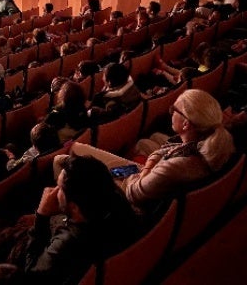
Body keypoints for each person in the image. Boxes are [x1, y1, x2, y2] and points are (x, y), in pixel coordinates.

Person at [0, 155, 139, 285]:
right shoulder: (113, 199)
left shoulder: (69, 243)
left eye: (60, 188)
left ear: (75, 206)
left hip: (29, 262)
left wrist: (42, 216)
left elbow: (31, 271)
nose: (54, 190)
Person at [65, 89, 236, 214]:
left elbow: (132, 194)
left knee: (65, 161)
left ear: (186, 124)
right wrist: (148, 166)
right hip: (144, 177)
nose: (170, 112)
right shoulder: (204, 147)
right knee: (78, 149)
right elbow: (163, 151)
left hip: (131, 196)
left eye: (174, 110)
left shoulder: (176, 166)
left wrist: (132, 173)